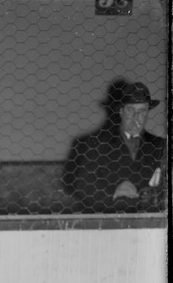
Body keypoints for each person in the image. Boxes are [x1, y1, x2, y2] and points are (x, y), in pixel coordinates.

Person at [63, 81, 166, 212]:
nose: (136, 117)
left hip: (148, 225)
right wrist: (114, 191)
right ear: (121, 111)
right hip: (108, 223)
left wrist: (155, 195)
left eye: (142, 111)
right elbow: (80, 185)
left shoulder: (160, 146)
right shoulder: (96, 144)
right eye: (131, 110)